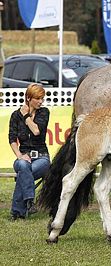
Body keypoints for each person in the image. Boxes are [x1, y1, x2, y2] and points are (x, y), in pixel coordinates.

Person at [8, 83, 50, 220]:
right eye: (37, 98)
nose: (41, 101)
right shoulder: (15, 115)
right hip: (22, 158)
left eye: (42, 98)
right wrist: (19, 156)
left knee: (24, 173)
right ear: (28, 98)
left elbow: (36, 131)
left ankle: (17, 211)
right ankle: (29, 201)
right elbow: (12, 139)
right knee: (23, 166)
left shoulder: (44, 112)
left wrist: (26, 116)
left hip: (42, 158)